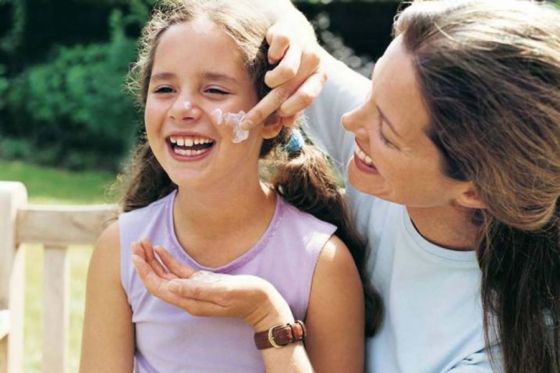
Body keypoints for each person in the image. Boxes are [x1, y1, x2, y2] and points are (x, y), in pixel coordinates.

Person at [144, 0, 560, 372]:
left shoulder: (498, 350)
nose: (350, 122)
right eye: (371, 92)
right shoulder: (398, 114)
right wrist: (294, 28)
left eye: (387, 133)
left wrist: (270, 321)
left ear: (474, 191)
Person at [79, 0, 378, 372]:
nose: (182, 108)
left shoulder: (322, 263)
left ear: (272, 119)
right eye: (165, 89)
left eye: (215, 91)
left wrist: (268, 317)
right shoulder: (121, 249)